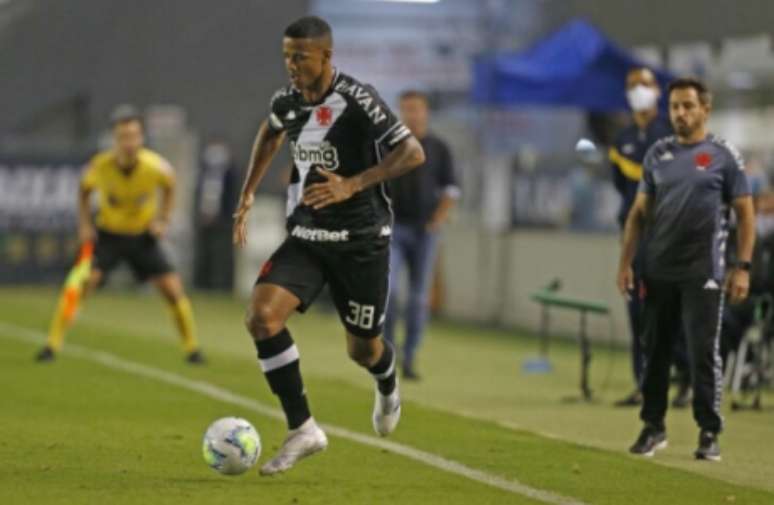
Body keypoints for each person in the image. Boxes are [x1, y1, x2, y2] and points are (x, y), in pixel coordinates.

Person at [232, 16, 425, 476]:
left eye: (300, 56)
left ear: (325, 56)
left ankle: (387, 378)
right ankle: (303, 429)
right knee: (261, 317)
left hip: (361, 242)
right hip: (308, 236)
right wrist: (248, 191)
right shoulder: (288, 100)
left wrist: (353, 184)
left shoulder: (358, 100)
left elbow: (413, 152)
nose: (291, 66)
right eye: (286, 56)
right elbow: (271, 131)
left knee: (362, 350)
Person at [617, 78, 755, 461]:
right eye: (675, 106)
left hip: (704, 271)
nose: (680, 113)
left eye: (688, 106)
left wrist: (741, 267)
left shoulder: (724, 156)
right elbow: (638, 215)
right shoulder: (657, 154)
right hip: (657, 269)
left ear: (704, 110)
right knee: (655, 351)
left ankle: (709, 432)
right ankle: (653, 427)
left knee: (701, 353)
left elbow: (746, 215)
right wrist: (626, 263)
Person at [36, 105, 204, 364]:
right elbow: (83, 192)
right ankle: (52, 345)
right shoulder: (100, 166)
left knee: (172, 289)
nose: (129, 143)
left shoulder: (155, 166)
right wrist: (84, 225)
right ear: (115, 140)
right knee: (80, 284)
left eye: (134, 136)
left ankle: (192, 349)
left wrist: (163, 220)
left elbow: (171, 186)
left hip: (142, 238)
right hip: (109, 237)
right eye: (123, 137)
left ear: (141, 138)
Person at [609, 67, 692, 408]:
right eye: (632, 86)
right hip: (635, 237)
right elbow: (621, 186)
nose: (638, 91)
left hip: (669, 235)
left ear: (657, 91)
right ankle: (644, 385)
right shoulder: (623, 139)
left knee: (669, 312)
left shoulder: (672, 133)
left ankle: (686, 378)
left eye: (644, 84)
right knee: (637, 312)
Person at [383, 90, 459, 380]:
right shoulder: (390, 145)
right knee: (388, 294)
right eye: (406, 109)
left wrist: (438, 219)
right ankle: (388, 354)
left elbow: (451, 189)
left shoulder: (439, 148)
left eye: (416, 109)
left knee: (418, 298)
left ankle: (410, 356)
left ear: (425, 112)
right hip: (394, 229)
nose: (411, 114)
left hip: (425, 231)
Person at [193, 139, 239, 291]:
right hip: (204, 219)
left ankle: (222, 287)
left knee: (222, 255)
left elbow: (232, 198)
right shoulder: (203, 173)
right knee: (203, 254)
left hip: (223, 221)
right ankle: (201, 285)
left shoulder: (230, 174)